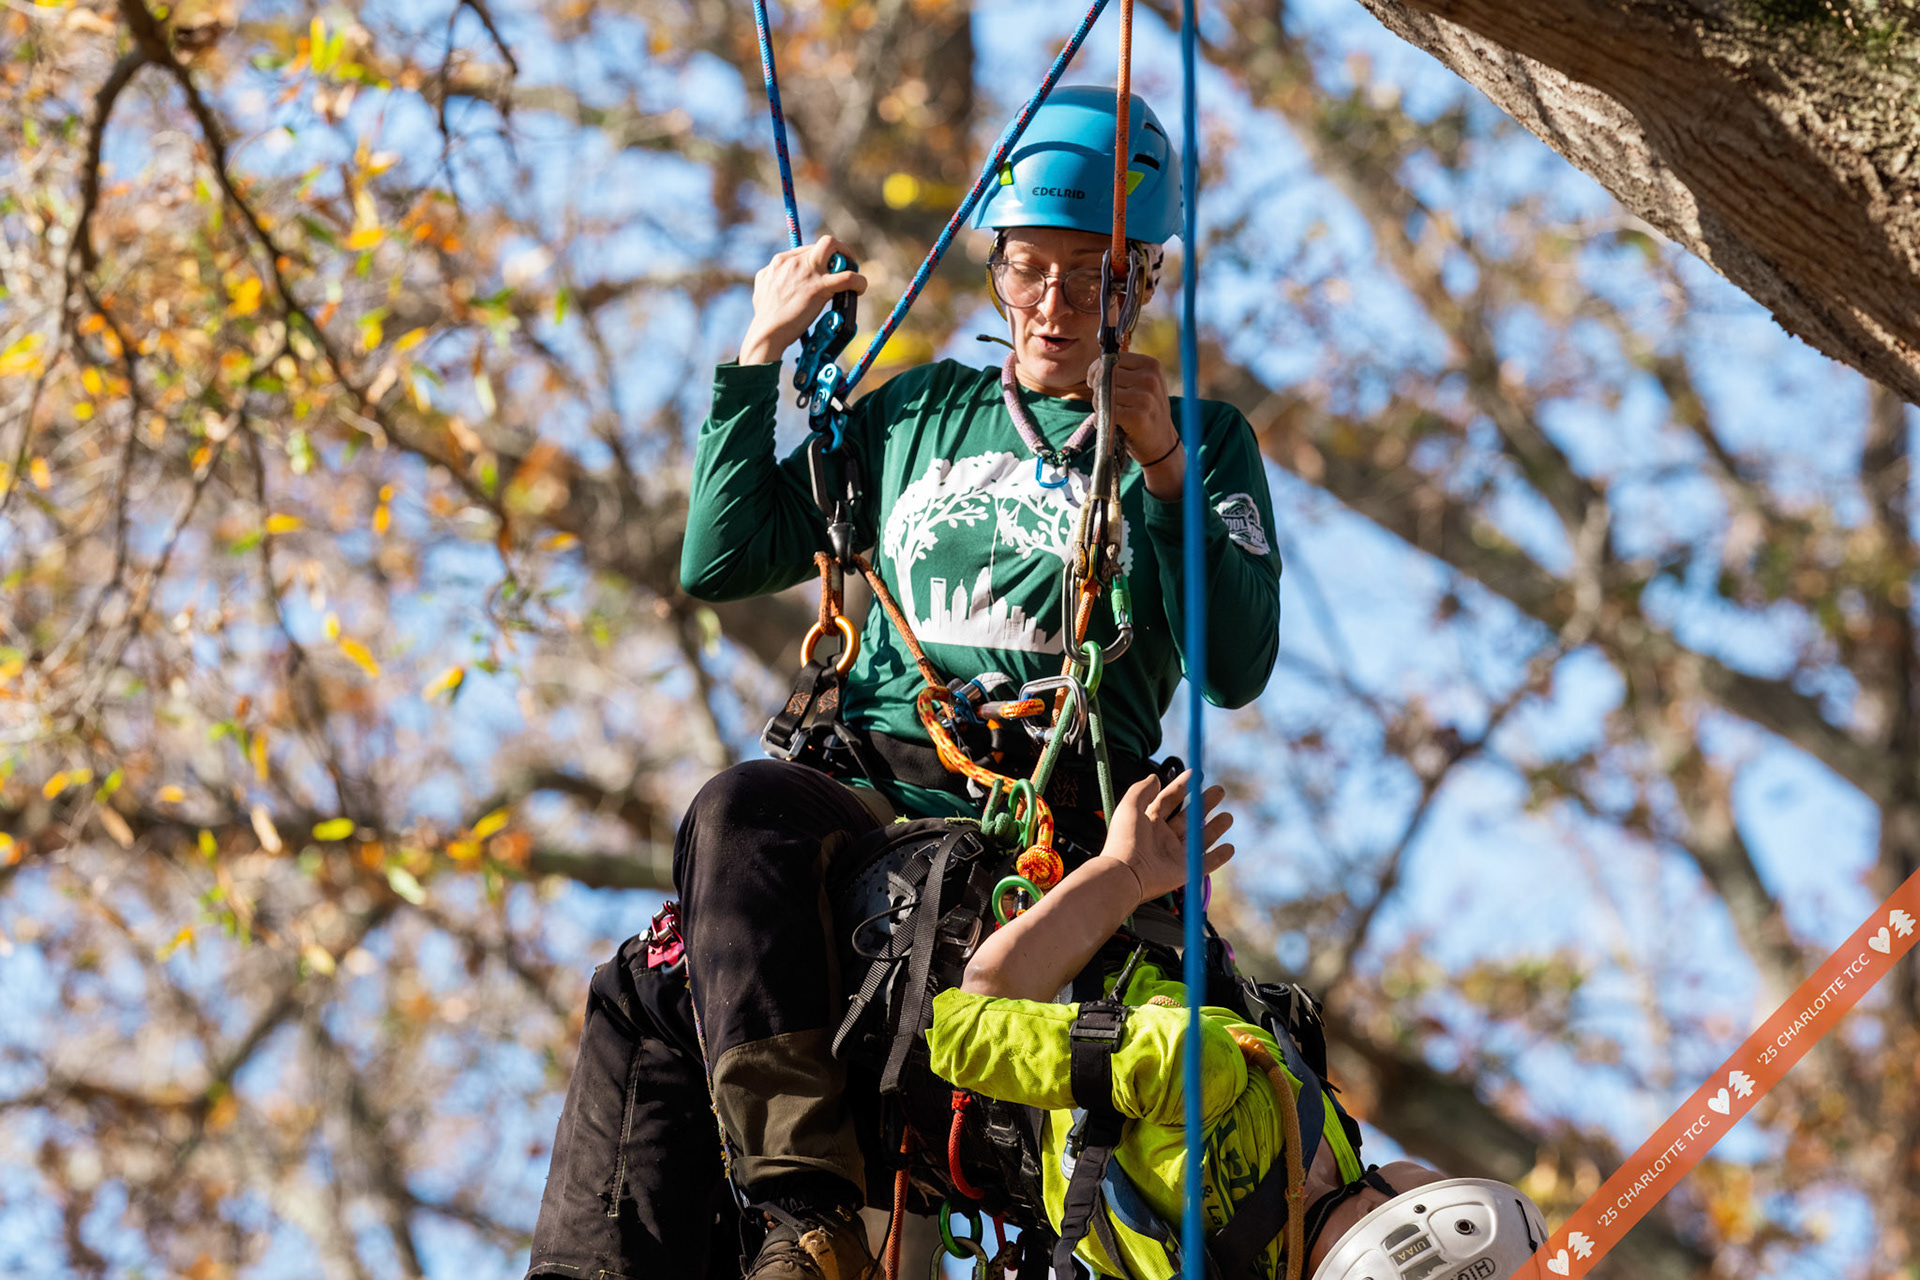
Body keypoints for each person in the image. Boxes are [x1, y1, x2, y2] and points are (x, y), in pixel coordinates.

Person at [529, 85, 1283, 1280]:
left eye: (1091, 279)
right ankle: (804, 1216)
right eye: (1030, 269)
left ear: (1140, 286)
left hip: (1048, 811)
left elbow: (1237, 663)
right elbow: (724, 557)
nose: (1053, 305)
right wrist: (761, 356)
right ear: (997, 267)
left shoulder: (1199, 439)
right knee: (737, 810)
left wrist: (1165, 466)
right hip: (877, 774)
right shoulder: (920, 414)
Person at [928, 773, 1552, 1280]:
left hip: (1000, 924)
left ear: (1420, 1224)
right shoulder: (1290, 1210)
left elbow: (968, 1019)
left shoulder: (1216, 1085)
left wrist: (1127, 873)